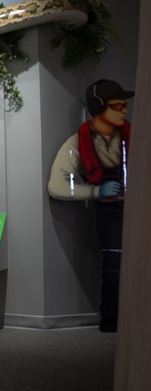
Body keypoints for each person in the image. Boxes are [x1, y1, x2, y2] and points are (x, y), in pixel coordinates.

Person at [48, 78, 135, 333]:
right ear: (98, 107)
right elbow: (57, 186)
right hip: (110, 211)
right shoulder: (76, 144)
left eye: (124, 105)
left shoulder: (136, 136)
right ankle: (112, 321)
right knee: (114, 267)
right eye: (116, 105)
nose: (124, 110)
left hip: (139, 209)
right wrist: (96, 191)